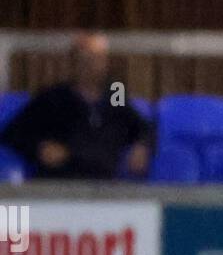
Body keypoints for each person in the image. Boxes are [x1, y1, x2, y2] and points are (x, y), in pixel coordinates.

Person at [0, 33, 150, 179]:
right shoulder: (53, 97)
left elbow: (142, 129)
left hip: (103, 185)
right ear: (72, 62)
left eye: (96, 58)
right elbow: (13, 133)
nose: (89, 65)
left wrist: (141, 146)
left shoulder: (115, 95)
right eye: (83, 59)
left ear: (105, 61)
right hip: (59, 183)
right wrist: (39, 148)